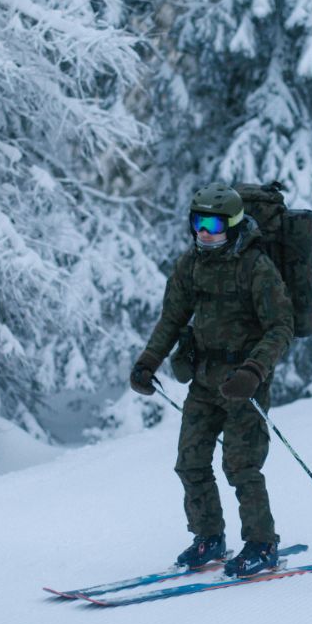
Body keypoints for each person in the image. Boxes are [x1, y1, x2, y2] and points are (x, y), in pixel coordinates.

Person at [129, 182, 294, 577]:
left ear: (234, 225)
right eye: (198, 222)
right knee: (190, 462)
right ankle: (209, 537)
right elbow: (172, 317)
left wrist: (253, 372)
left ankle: (262, 544)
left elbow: (280, 327)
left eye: (214, 224)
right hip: (203, 381)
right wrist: (148, 361)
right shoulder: (191, 264)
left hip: (243, 382)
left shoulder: (256, 267)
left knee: (241, 465)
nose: (205, 232)